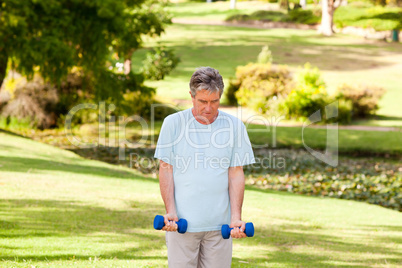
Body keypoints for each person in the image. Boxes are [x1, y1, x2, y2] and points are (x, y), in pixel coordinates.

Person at [154, 67, 255, 267]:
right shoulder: (173, 124)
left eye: (214, 101)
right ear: (191, 96)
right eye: (202, 101)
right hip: (182, 225)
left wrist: (236, 218)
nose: (208, 108)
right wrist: (170, 211)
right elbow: (166, 169)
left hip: (220, 228)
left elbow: (235, 173)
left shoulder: (235, 126)